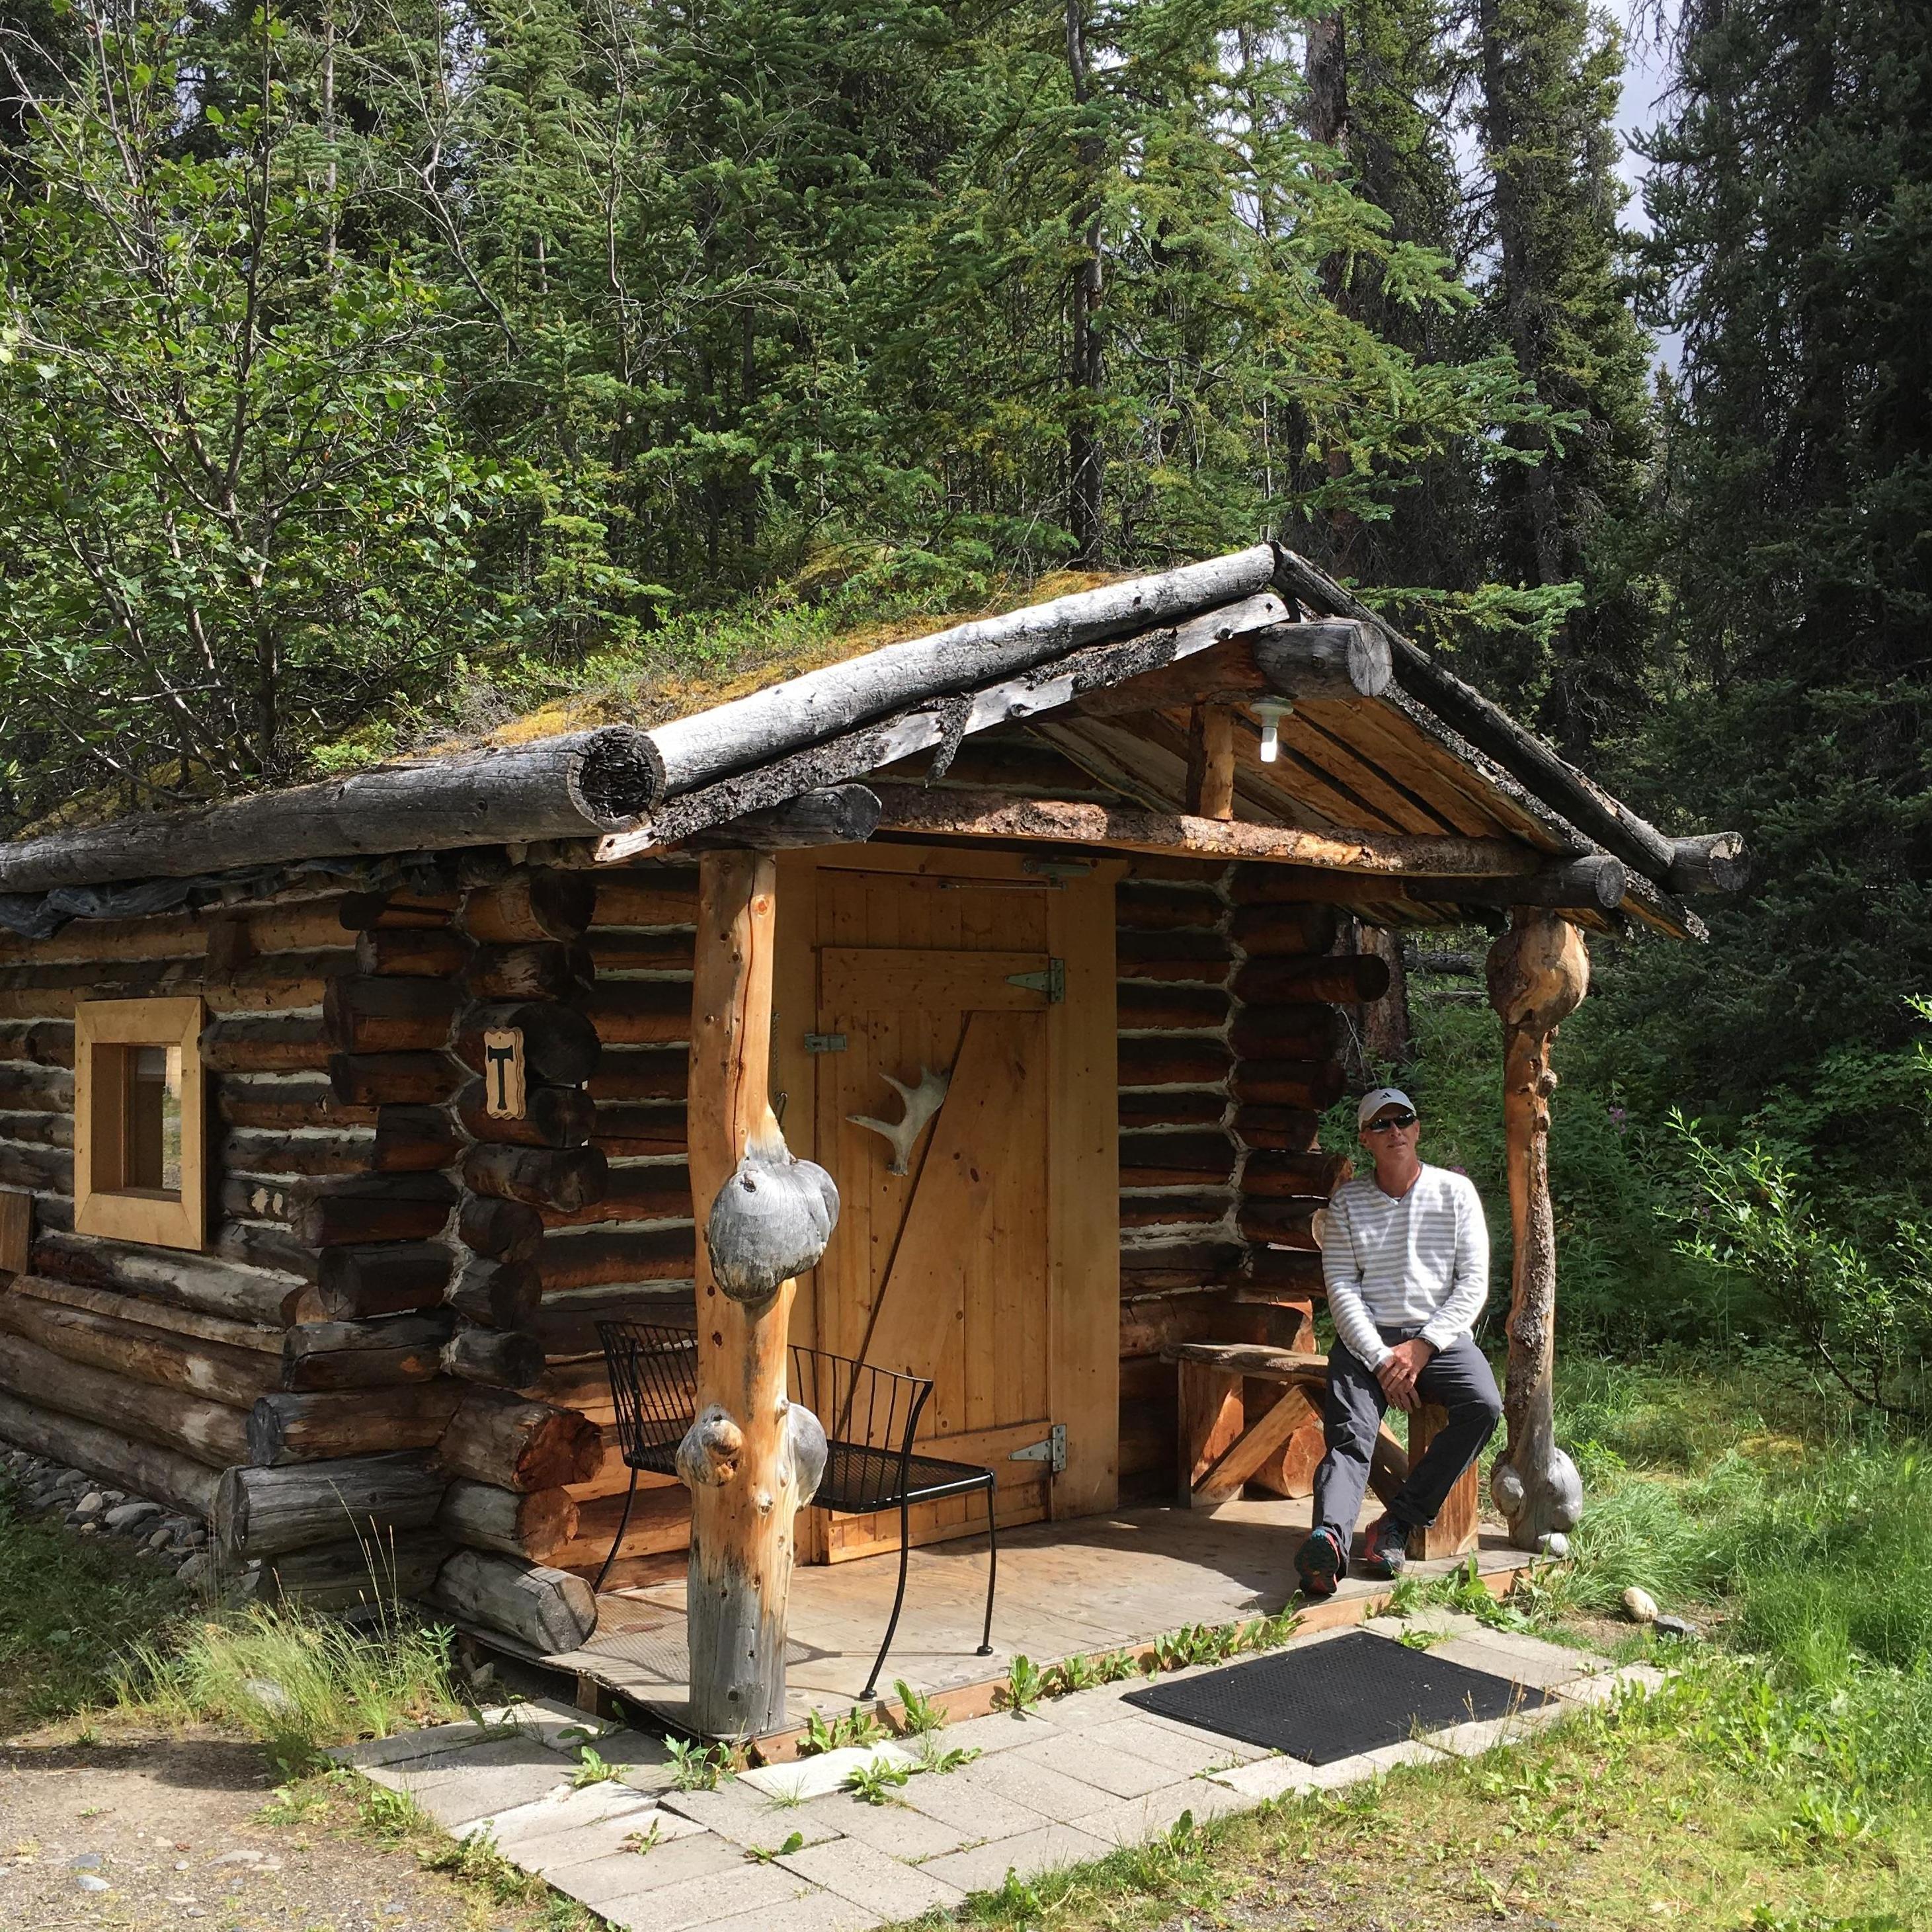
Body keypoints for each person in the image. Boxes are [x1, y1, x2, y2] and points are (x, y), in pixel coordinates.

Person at [1295, 1086, 1503, 1596]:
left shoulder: (1455, 1195)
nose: (1394, 1132)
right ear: (1365, 1139)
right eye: (1381, 1125)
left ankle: (1397, 1524)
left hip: (1441, 1338)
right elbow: (1341, 1289)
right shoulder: (1347, 1203)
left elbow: (1473, 1282)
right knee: (1350, 1434)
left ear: (1417, 1129)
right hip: (1367, 1340)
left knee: (1483, 1405)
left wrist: (1423, 1347)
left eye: (1402, 1121)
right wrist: (1383, 1357)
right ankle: (1329, 1543)